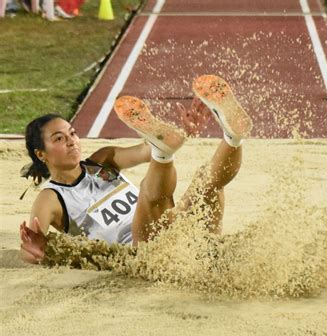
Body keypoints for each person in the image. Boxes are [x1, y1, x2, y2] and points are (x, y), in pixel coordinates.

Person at [19, 75, 253, 264]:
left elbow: (145, 150)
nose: (72, 141)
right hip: (144, 253)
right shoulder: (50, 197)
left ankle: (233, 137)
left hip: (183, 232)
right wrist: (38, 250)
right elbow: (29, 252)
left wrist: (183, 132)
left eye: (72, 133)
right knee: (149, 195)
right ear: (41, 154)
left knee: (205, 182)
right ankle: (166, 153)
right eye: (59, 139)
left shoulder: (101, 160)